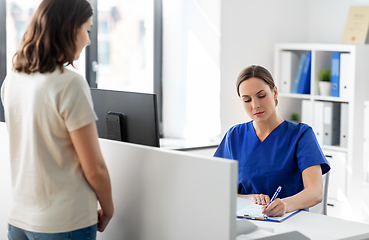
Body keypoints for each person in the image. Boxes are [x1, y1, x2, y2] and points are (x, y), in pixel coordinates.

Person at [1, 0, 114, 239]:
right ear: (72, 29)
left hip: (20, 220)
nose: (88, 40)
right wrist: (109, 208)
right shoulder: (69, 84)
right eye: (87, 30)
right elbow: (95, 168)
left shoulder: (12, 80)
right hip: (64, 223)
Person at [214, 65, 330, 217]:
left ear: (274, 92)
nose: (255, 105)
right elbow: (217, 189)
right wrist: (248, 198)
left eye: (261, 96)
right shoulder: (234, 136)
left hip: (291, 222)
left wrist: (285, 205)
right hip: (245, 222)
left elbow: (315, 192)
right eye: (247, 100)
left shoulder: (301, 135)